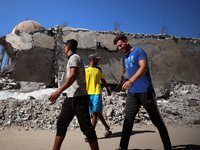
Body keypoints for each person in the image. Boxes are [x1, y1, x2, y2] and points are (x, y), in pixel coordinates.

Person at [113, 35, 172, 150]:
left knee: (157, 121)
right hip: (133, 93)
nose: (119, 48)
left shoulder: (138, 51)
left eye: (120, 45)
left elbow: (143, 67)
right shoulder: (126, 57)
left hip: (145, 91)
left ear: (126, 42)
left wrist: (131, 80)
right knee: (128, 121)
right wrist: (130, 83)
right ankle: (123, 147)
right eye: (118, 47)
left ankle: (167, 146)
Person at [49, 39, 99, 150]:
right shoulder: (72, 59)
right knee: (61, 124)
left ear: (67, 47)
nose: (64, 49)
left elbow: (72, 77)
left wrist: (58, 91)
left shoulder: (74, 58)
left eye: (64, 47)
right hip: (70, 98)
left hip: (79, 98)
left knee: (87, 129)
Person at [85, 53, 112, 139]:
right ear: (92, 60)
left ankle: (91, 133)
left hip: (97, 92)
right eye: (97, 59)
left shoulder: (98, 69)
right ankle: (107, 127)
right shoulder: (85, 69)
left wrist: (107, 89)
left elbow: (102, 79)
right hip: (88, 93)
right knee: (98, 113)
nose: (98, 60)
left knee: (94, 113)